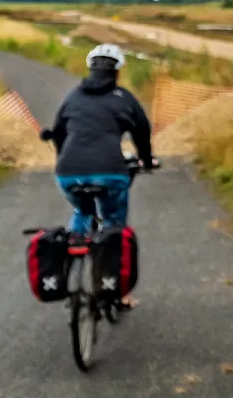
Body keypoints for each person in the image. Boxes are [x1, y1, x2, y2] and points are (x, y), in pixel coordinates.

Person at [44, 44, 158, 246]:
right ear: (117, 71)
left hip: (68, 174)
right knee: (113, 218)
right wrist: (146, 160)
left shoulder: (72, 97)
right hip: (110, 172)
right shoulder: (124, 98)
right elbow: (142, 130)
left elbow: (58, 133)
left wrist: (64, 158)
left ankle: (73, 251)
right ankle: (110, 269)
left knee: (83, 209)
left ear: (90, 68)